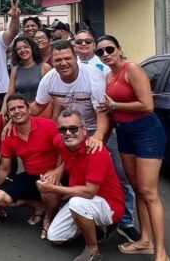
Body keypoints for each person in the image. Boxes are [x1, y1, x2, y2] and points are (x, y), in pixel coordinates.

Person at [31, 40, 138, 240]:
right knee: (73, 173)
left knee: (120, 176)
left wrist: (98, 137)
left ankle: (125, 222)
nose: (63, 63)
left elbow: (103, 112)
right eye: (58, 59)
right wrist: (14, 119)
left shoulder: (92, 76)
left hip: (99, 128)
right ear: (52, 61)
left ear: (76, 57)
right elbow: (37, 106)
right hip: (71, 131)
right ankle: (81, 216)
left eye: (67, 58)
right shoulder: (49, 79)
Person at [96, 35, 168, 259]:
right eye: (101, 52)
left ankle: (161, 252)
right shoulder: (108, 76)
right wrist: (101, 138)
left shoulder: (132, 69)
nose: (106, 54)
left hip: (146, 131)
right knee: (137, 188)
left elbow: (147, 105)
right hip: (124, 132)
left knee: (149, 192)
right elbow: (109, 112)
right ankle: (145, 240)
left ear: (119, 49)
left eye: (109, 49)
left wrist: (115, 104)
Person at [37, 110, 125, 261]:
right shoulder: (61, 143)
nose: (68, 133)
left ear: (84, 130)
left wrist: (52, 188)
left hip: (109, 204)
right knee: (55, 237)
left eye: (73, 128)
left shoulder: (96, 152)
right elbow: (68, 158)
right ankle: (95, 227)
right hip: (82, 199)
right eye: (63, 129)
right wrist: (56, 171)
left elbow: (89, 192)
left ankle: (93, 250)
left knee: (76, 203)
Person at [0, 95, 60, 233]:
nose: (17, 111)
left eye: (20, 107)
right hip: (31, 175)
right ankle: (38, 205)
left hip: (54, 174)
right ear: (9, 114)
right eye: (12, 109)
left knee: (47, 186)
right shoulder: (9, 135)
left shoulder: (48, 125)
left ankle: (48, 218)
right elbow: (5, 168)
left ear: (29, 109)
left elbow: (65, 153)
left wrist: (57, 172)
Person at [3, 35, 52, 107]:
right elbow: (10, 94)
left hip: (42, 110)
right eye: (19, 49)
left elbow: (52, 94)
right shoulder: (15, 70)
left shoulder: (45, 67)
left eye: (26, 47)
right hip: (22, 111)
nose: (22, 50)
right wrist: (2, 114)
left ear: (32, 48)